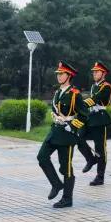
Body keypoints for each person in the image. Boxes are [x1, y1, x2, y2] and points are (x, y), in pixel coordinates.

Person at [37, 61, 89, 208]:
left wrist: (72, 126)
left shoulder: (74, 94)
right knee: (42, 157)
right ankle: (56, 184)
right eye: (58, 74)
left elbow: (85, 115)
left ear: (69, 75)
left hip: (67, 135)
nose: (59, 76)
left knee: (66, 167)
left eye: (62, 74)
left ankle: (67, 199)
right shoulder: (57, 92)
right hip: (55, 131)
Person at [78, 61, 111, 186]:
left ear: (103, 74)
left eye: (97, 72)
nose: (94, 74)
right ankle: (90, 159)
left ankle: (100, 176)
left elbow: (95, 99)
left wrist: (80, 104)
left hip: (100, 118)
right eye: (93, 72)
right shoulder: (94, 86)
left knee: (100, 149)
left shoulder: (106, 86)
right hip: (90, 117)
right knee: (78, 137)